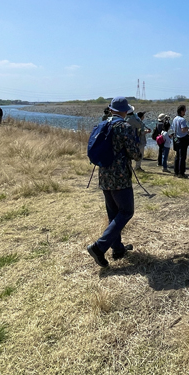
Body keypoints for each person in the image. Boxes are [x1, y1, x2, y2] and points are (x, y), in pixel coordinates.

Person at [86, 97, 140, 269]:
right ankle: (99, 247)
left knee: (113, 213)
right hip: (120, 177)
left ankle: (117, 249)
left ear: (111, 110)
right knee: (126, 211)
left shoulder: (103, 124)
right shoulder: (125, 127)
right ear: (125, 111)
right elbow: (135, 153)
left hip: (104, 175)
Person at [171, 104, 189, 178]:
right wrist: (187, 129)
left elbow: (173, 128)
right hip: (182, 139)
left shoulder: (175, 119)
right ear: (181, 111)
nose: (185, 112)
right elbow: (183, 130)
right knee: (182, 157)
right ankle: (181, 173)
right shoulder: (182, 120)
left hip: (176, 138)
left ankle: (176, 172)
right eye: (184, 110)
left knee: (177, 156)